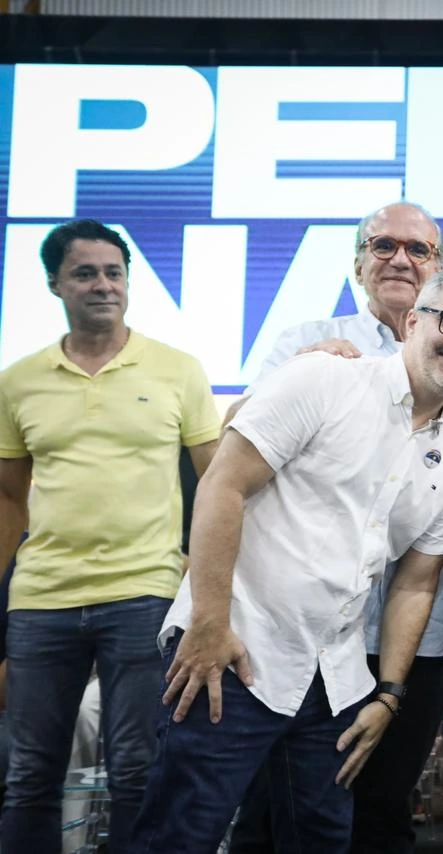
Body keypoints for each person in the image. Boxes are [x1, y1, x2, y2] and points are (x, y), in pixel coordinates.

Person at [126, 268, 443, 853]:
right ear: (412, 321)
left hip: (335, 682)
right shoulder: (324, 379)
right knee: (181, 834)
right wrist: (208, 623)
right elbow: (223, 485)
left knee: (322, 841)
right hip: (232, 651)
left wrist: (388, 695)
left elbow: (415, 583)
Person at [229, 201, 443, 854]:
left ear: (439, 268)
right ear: (357, 263)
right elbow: (235, 450)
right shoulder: (309, 345)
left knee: (383, 808)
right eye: (383, 245)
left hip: (415, 632)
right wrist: (300, 376)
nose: (400, 259)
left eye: (418, 249)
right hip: (305, 631)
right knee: (276, 809)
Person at [0, 219, 221, 853]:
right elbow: (9, 498)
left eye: (114, 272)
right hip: (41, 599)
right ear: (54, 283)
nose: (103, 285)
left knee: (136, 770)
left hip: (143, 592)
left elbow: (218, 486)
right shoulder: (18, 381)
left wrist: (205, 581)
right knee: (30, 775)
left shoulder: (177, 370)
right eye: (85, 273)